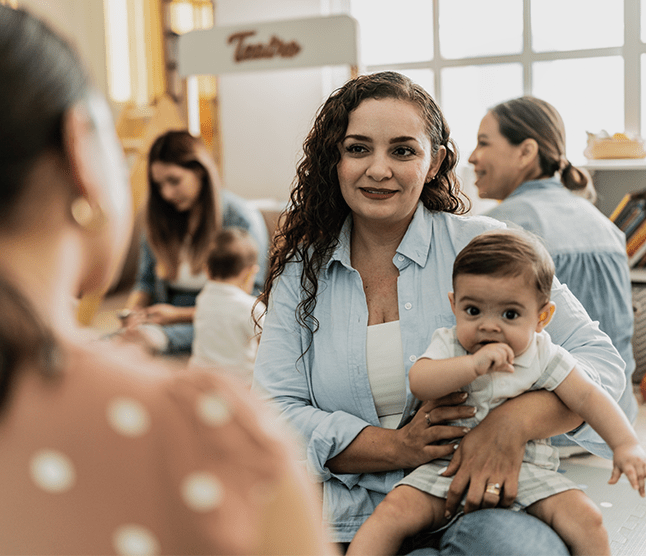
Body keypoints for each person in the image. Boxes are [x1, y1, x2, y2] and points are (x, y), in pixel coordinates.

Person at [0, 1, 334, 554]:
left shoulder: (233, 218)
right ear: (80, 148)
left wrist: (160, 327)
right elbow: (151, 289)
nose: (164, 191)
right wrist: (144, 315)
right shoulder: (205, 438)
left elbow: (244, 299)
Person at [252, 70, 628, 554]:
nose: (379, 169)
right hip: (347, 517)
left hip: (483, 499)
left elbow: (603, 365)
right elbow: (271, 413)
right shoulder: (302, 272)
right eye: (358, 148)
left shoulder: (485, 244)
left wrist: (512, 423)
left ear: (434, 163)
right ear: (335, 161)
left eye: (403, 150)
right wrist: (397, 448)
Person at [348, 229, 646, 556]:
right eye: (473, 311)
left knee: (588, 519)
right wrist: (470, 366)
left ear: (542, 317)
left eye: (510, 314)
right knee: (390, 514)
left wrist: (626, 445)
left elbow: (589, 398)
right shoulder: (451, 343)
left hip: (527, 471)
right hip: (445, 469)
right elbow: (420, 380)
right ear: (454, 304)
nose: (489, 326)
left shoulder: (544, 354)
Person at [469, 96, 639, 440]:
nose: (472, 156)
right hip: (614, 419)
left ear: (526, 152)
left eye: (483, 143)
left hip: (549, 432)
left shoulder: (500, 226)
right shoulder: (602, 222)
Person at [121, 130, 269, 354]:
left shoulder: (240, 219)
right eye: (159, 185)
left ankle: (157, 338)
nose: (167, 194)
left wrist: (177, 316)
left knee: (144, 342)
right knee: (108, 344)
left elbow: (250, 300)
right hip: (163, 315)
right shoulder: (158, 219)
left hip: (220, 317)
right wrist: (131, 313)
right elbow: (146, 282)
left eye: (174, 181)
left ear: (199, 172)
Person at [189, 227, 266, 385]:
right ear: (250, 272)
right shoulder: (251, 308)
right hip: (238, 385)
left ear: (207, 270)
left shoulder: (203, 298)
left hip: (200, 380)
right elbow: (269, 347)